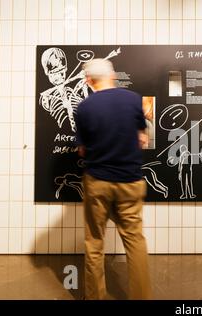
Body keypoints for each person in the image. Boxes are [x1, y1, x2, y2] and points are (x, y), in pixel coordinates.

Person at [74, 58, 151, 300]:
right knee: (134, 241)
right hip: (130, 181)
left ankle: (95, 297)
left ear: (89, 80)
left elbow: (83, 150)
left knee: (95, 242)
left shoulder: (84, 107)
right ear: (113, 75)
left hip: (98, 182)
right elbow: (142, 137)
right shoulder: (134, 99)